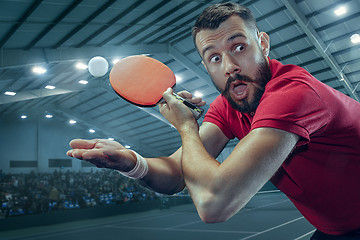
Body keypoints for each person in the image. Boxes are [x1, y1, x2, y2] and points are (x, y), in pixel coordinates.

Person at [67, 2, 360, 239]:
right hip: (334, 230)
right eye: (215, 58)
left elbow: (213, 204)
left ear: (263, 44)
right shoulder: (230, 104)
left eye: (239, 48)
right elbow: (177, 173)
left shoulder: (294, 94)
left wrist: (186, 127)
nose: (230, 67)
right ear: (206, 66)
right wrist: (131, 162)